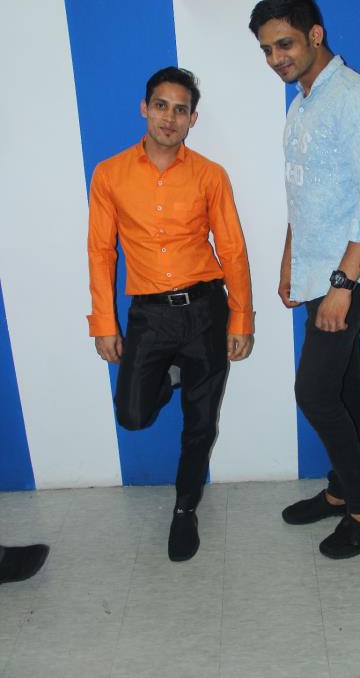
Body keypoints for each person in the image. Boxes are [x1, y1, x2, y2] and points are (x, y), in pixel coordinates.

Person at [249, 0, 360, 559]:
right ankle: (341, 489)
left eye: (284, 44)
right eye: (267, 50)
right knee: (341, 384)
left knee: (312, 391)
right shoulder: (304, 102)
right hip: (315, 266)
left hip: (347, 271)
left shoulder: (356, 99)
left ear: (316, 34)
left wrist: (341, 285)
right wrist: (291, 258)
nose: (276, 59)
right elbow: (304, 193)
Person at [87, 67, 254, 562]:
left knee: (200, 423)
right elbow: (101, 252)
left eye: (181, 110)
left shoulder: (210, 175)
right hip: (149, 316)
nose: (169, 117)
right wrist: (103, 323)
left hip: (205, 310)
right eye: (161, 105)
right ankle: (171, 375)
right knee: (132, 414)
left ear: (192, 119)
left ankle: (185, 508)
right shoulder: (110, 174)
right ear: (144, 108)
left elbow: (232, 248)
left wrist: (241, 318)